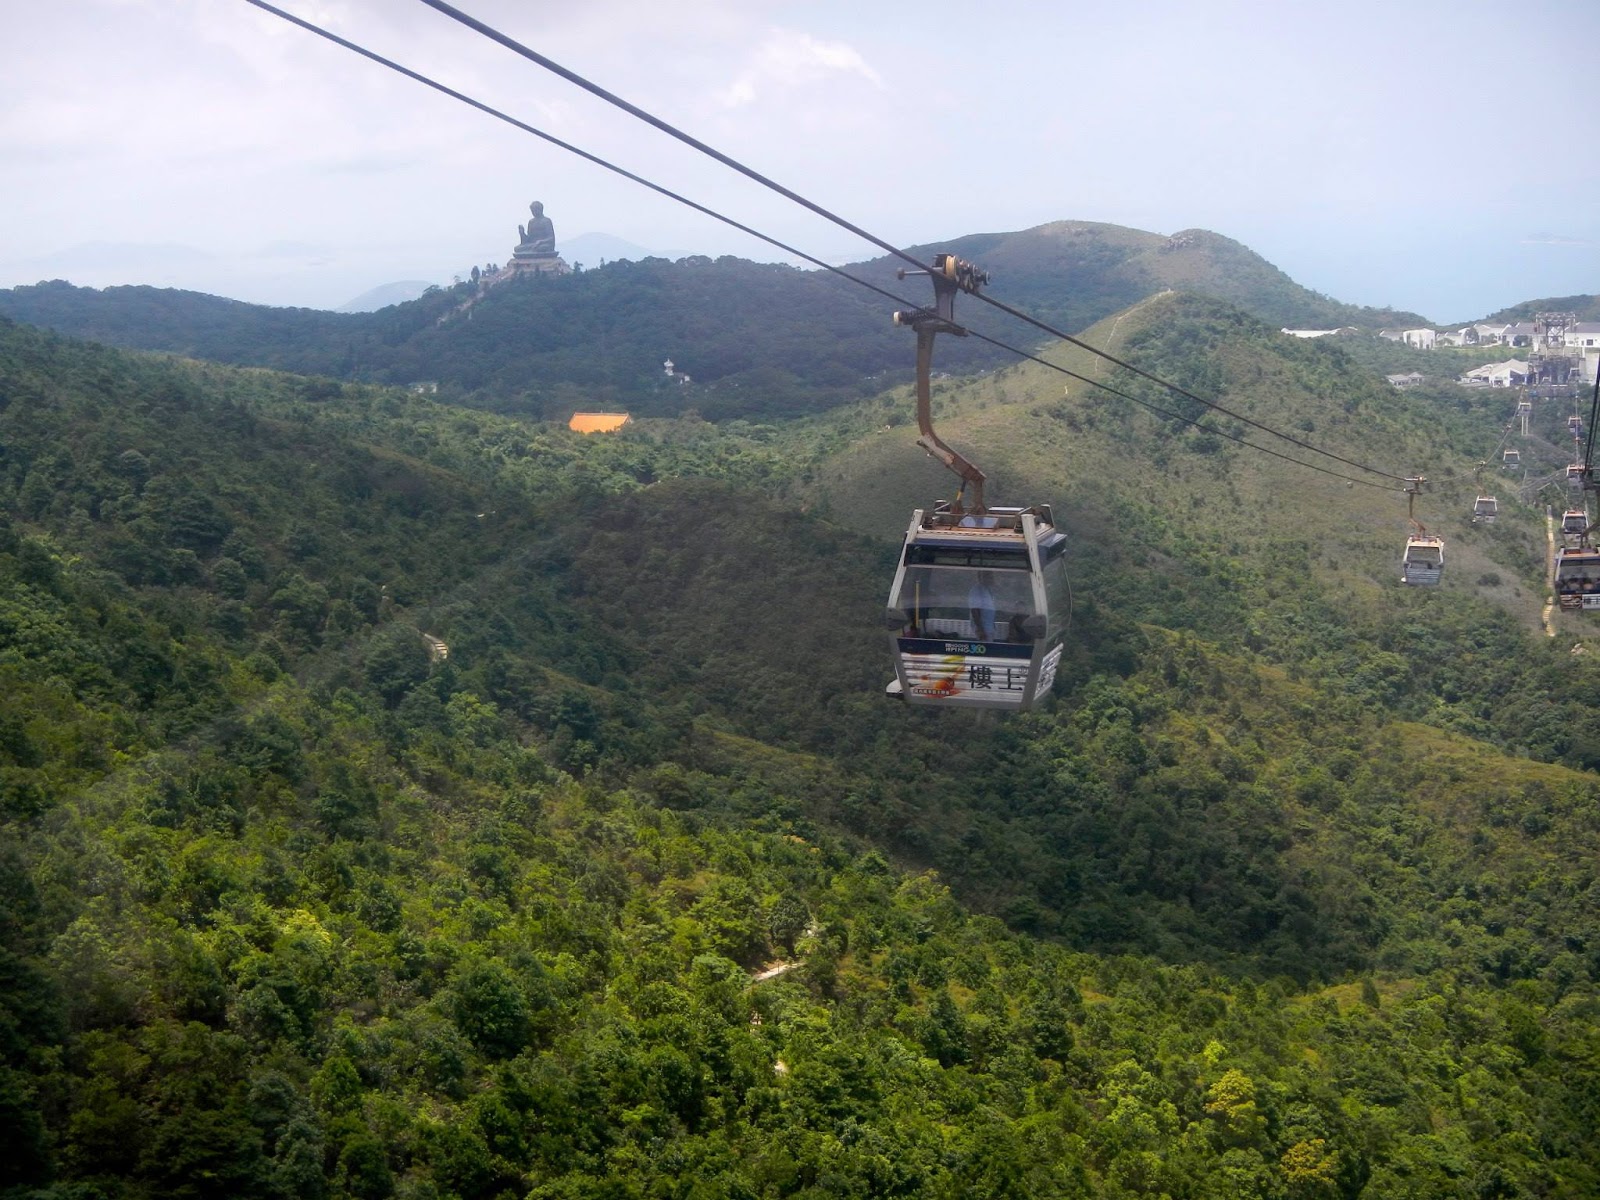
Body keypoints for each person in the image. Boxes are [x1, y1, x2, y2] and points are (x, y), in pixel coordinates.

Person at [968, 571, 997, 641]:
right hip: (982, 631)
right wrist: (980, 630)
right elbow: (974, 611)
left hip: (989, 629)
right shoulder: (976, 590)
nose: (991, 578)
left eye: (991, 576)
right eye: (989, 576)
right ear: (981, 578)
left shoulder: (988, 590)